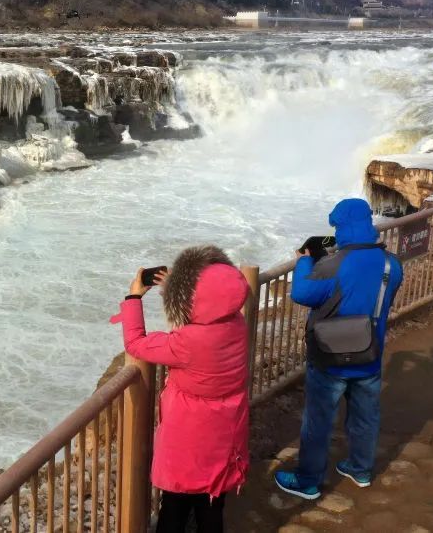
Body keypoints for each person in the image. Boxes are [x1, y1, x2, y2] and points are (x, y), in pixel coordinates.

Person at [111, 246, 250, 533]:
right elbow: (206, 305)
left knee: (174, 505)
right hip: (225, 433)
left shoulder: (187, 344)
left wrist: (133, 297)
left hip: (190, 438)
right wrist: (179, 284)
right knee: (212, 504)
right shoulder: (236, 324)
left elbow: (136, 343)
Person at [275, 198, 404, 500]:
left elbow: (302, 293)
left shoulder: (333, 264)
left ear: (343, 226)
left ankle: (308, 480)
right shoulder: (391, 265)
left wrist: (306, 260)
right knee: (365, 416)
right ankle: (359, 469)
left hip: (330, 358)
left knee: (318, 420)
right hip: (369, 355)